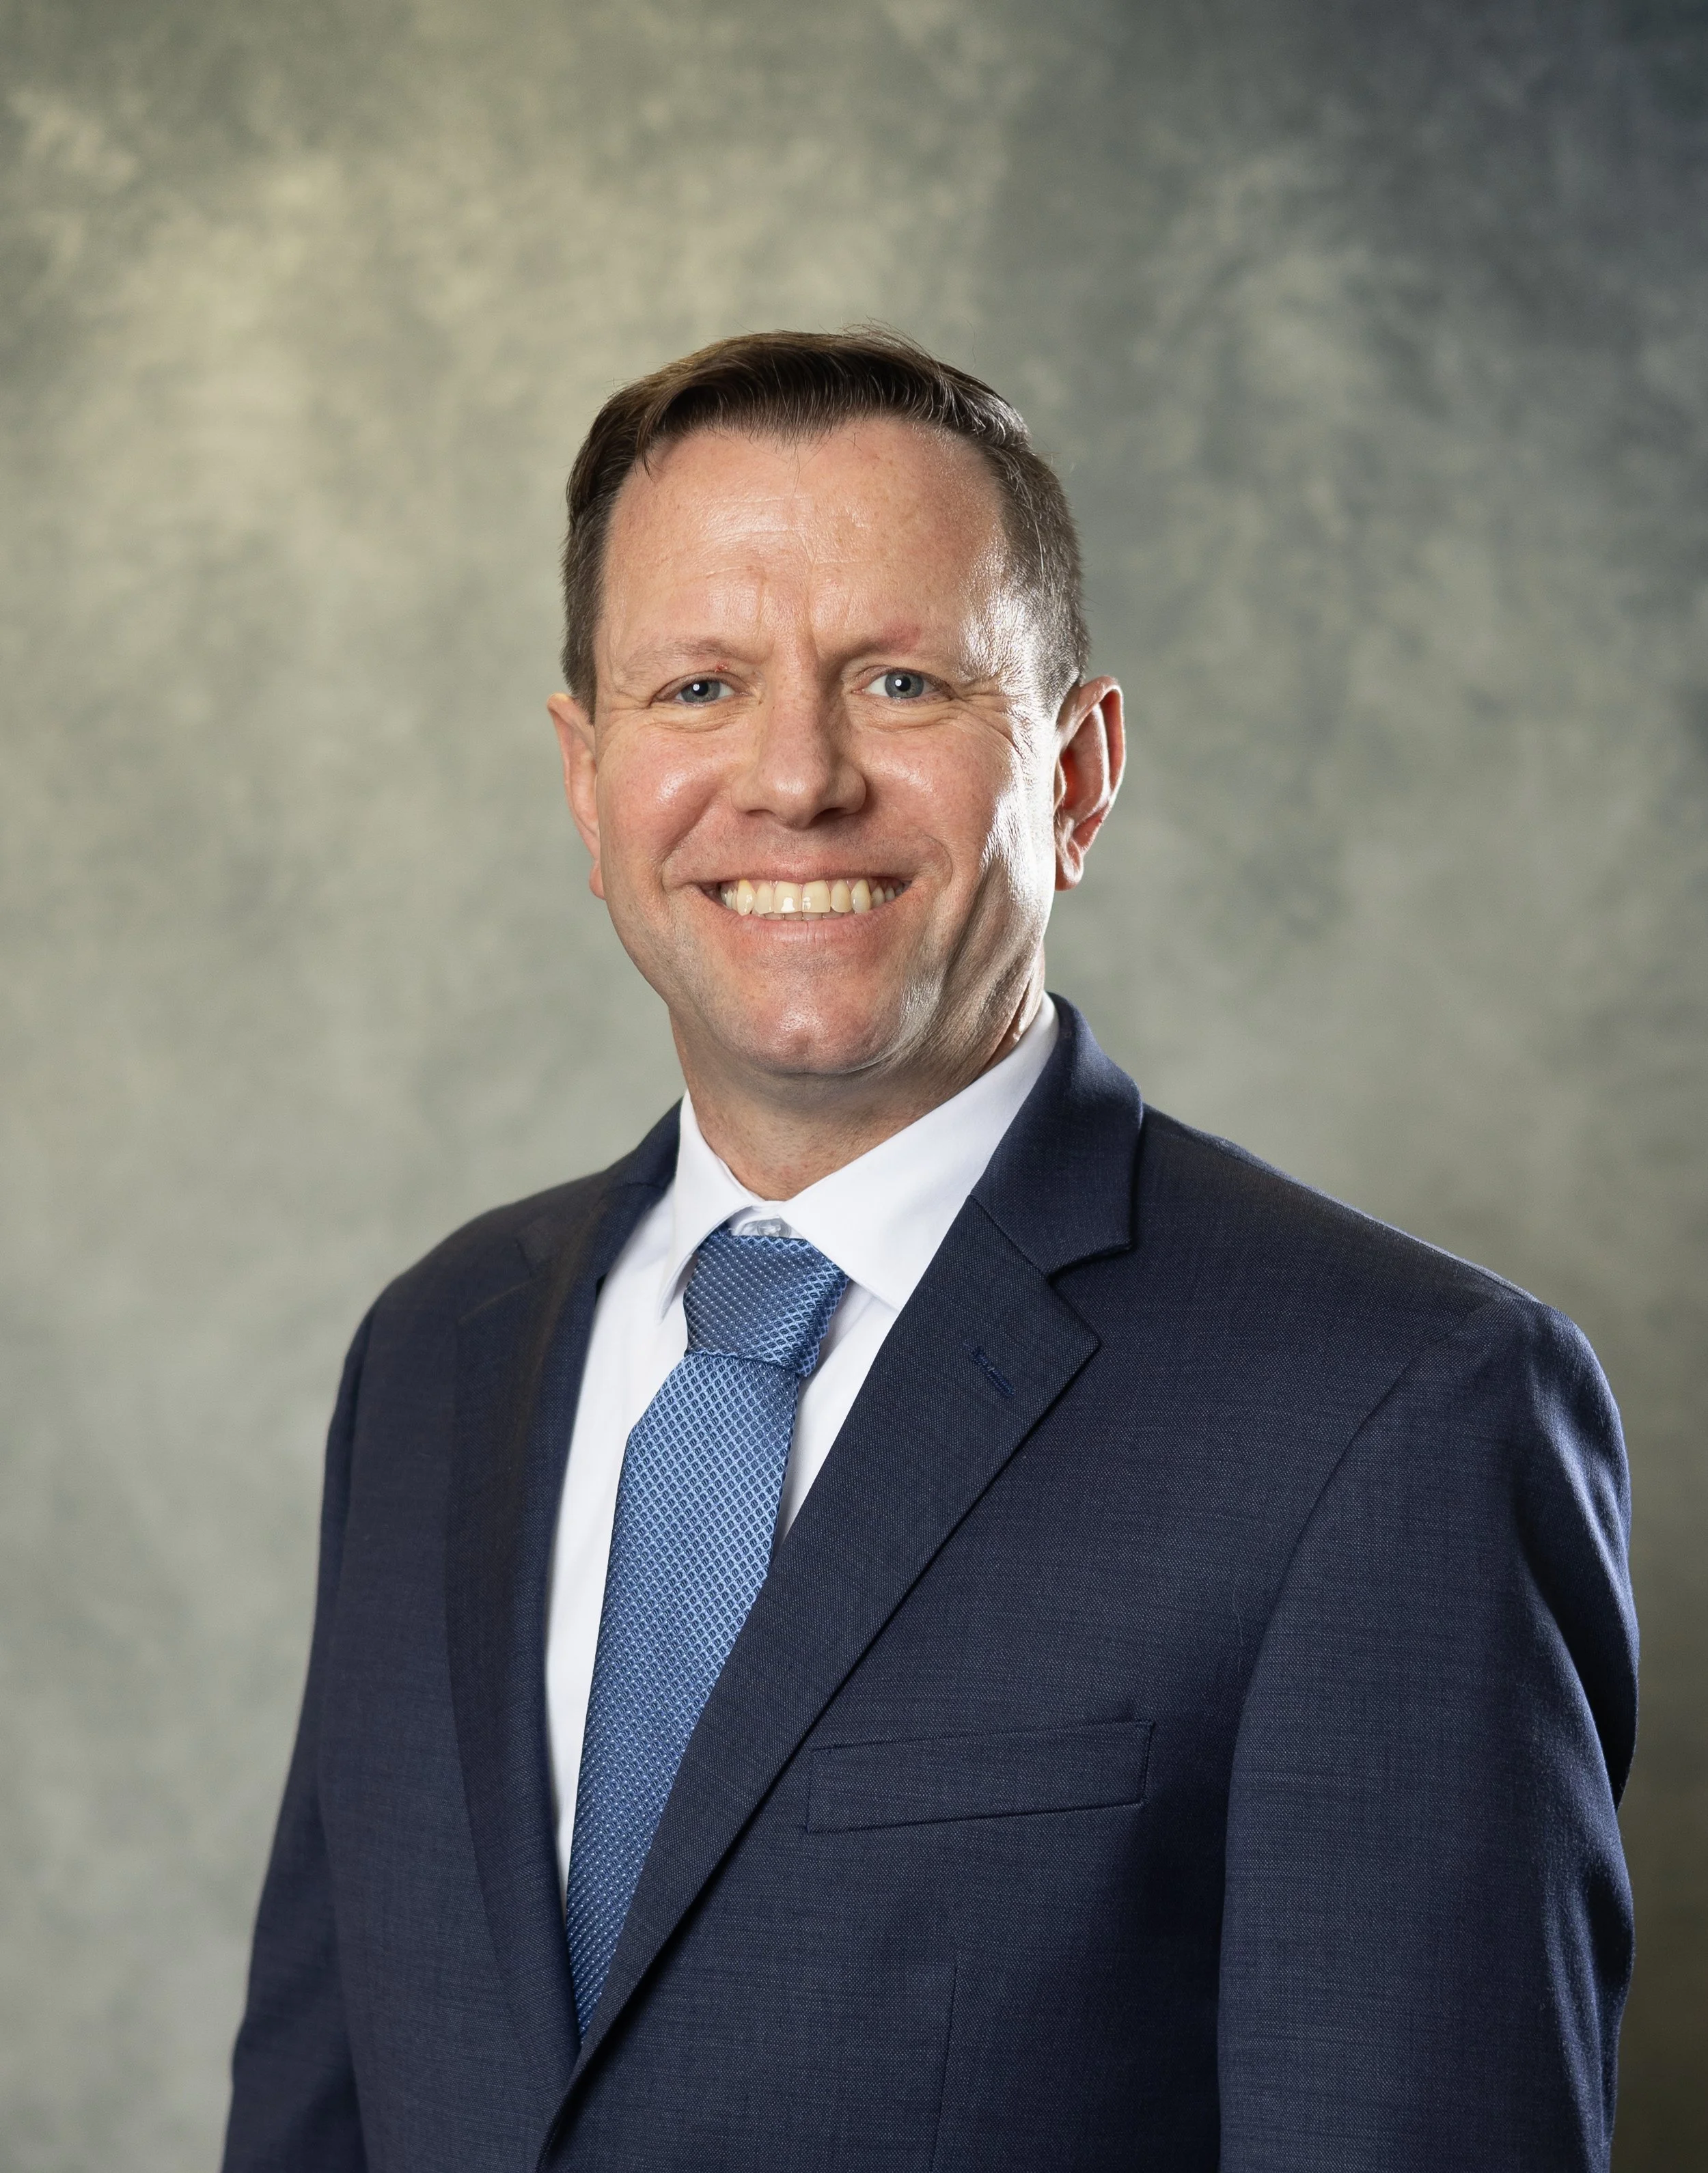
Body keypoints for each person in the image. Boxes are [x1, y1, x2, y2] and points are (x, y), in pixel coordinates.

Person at [221, 331, 1636, 2173]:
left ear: (1078, 767)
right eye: (698, 687)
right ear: (586, 776)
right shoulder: (438, 1355)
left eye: (900, 680)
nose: (792, 779)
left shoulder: (1394, 1412)